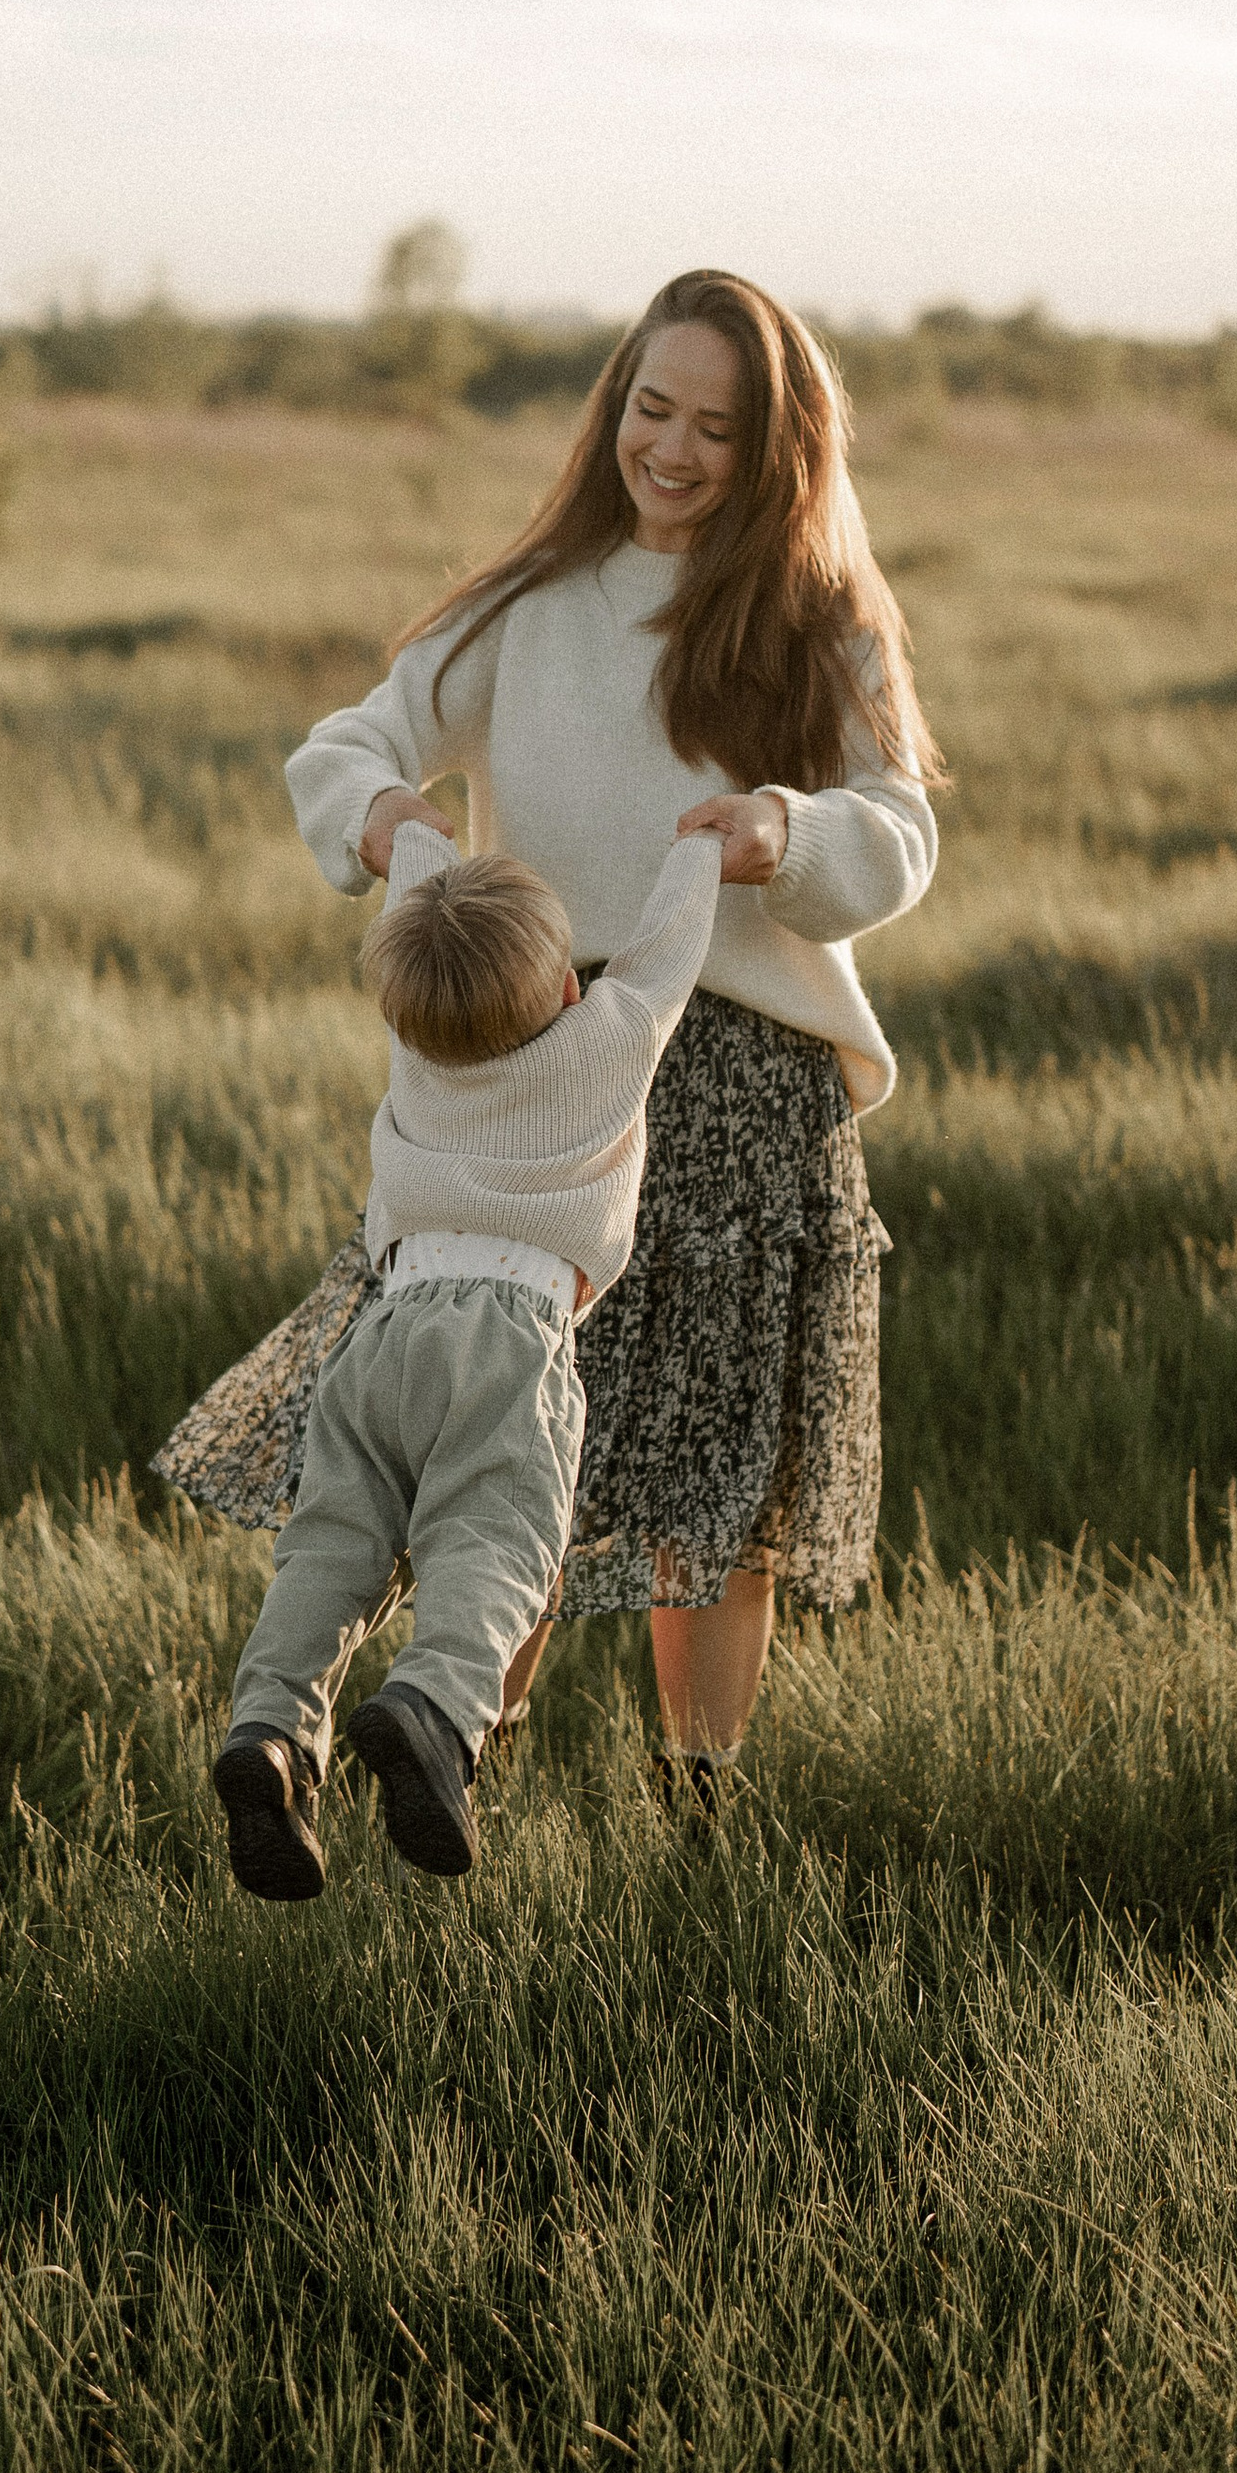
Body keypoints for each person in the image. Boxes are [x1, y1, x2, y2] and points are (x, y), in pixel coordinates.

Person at [155, 268, 939, 1793]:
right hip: (545, 1079)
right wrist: (385, 816)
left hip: (745, 1089)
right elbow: (350, 743)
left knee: (715, 1497)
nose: (675, 450)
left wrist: (787, 830)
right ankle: (454, 1768)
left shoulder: (824, 623)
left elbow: (901, 834)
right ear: (614, 410)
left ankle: (699, 1805)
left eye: (718, 427)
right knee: (502, 1456)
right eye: (654, 408)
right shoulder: (527, 607)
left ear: (776, 450)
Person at [214, 814, 724, 1901]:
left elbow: (419, 891)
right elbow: (670, 950)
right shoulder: (608, 1040)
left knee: (334, 1546)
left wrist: (410, 830)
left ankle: (270, 1733)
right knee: (494, 1543)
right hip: (509, 1335)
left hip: (380, 1337)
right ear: (570, 992)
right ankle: (436, 1712)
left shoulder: (418, 1052)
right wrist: (700, 849)